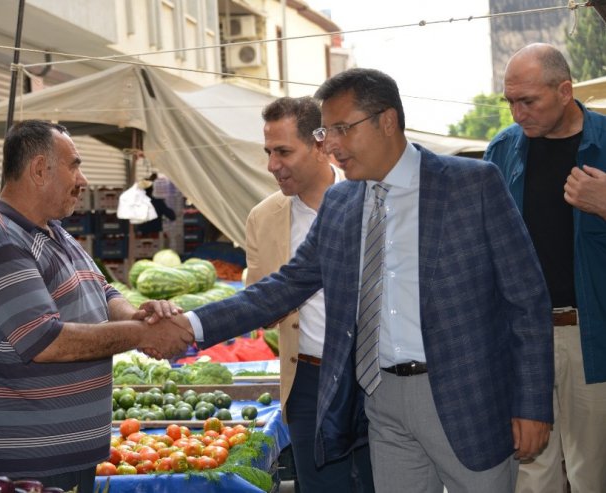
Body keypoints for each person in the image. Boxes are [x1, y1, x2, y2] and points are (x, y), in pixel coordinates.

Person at [172, 68, 554, 492]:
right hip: (381, 402)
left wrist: (532, 405)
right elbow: (285, 285)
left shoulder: (472, 184)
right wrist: (190, 325)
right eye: (325, 130)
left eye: (341, 129)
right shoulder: (342, 202)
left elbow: (527, 301)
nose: (330, 143)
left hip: (468, 398)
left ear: (386, 121)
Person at [0, 120, 193, 493]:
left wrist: (137, 316)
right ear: (39, 169)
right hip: (27, 457)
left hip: (61, 452)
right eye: (74, 165)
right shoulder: (0, 237)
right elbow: (46, 340)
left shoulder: (52, 230)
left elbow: (103, 290)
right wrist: (145, 334)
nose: (82, 179)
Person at [484, 43, 606, 493]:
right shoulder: (502, 150)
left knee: (592, 474)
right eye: (510, 102)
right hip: (522, 337)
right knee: (530, 474)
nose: (517, 113)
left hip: (592, 337)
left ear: (565, 90)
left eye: (528, 101)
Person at [247, 96, 372, 492]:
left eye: (283, 151)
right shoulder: (263, 217)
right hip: (307, 382)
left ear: (320, 145)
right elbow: (258, 302)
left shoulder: (371, 198)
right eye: (268, 152)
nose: (271, 165)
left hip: (372, 375)